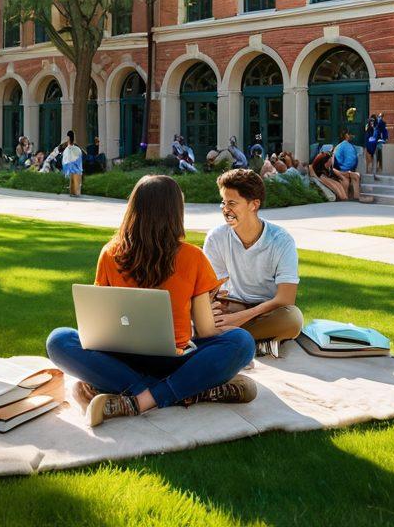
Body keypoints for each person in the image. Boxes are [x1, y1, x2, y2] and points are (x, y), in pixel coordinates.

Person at [46, 175, 257, 428]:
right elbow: (206, 330)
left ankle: (133, 394)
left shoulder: (111, 253)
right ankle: (177, 393)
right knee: (241, 342)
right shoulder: (193, 257)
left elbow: (97, 323)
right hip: (174, 362)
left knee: (59, 341)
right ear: (174, 213)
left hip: (119, 361)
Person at [202, 169, 304, 356]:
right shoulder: (216, 237)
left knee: (293, 319)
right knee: (200, 315)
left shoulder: (281, 240)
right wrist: (211, 309)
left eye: (232, 203)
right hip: (232, 305)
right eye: (223, 203)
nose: (226, 209)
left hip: (267, 310)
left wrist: (239, 319)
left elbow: (285, 299)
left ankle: (229, 338)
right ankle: (258, 342)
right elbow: (211, 289)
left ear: (254, 205)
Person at [331, 129, 367, 200]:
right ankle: (354, 197)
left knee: (355, 176)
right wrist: (348, 170)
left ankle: (355, 197)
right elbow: (338, 162)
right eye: (350, 134)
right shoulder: (343, 146)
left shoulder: (344, 145)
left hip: (344, 169)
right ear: (346, 135)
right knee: (355, 176)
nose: (352, 136)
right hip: (341, 170)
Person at [61, 131, 84, 197]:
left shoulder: (68, 150)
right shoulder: (77, 149)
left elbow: (65, 163)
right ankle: (75, 191)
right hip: (77, 172)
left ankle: (73, 191)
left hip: (73, 172)